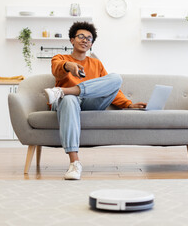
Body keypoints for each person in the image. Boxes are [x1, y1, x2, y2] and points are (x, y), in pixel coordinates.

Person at [45, 21, 146, 180]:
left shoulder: (96, 64)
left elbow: (110, 88)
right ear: (72, 40)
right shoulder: (61, 58)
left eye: (89, 38)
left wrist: (127, 104)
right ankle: (74, 163)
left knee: (115, 78)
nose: (85, 40)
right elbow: (57, 69)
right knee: (70, 99)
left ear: (91, 44)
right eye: (81, 36)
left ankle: (63, 91)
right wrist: (68, 66)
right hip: (67, 104)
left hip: (89, 102)